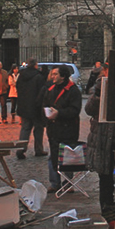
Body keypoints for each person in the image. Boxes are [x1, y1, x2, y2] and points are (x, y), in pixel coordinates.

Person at [84, 63, 115, 217]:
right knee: (105, 176)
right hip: (103, 137)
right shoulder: (99, 86)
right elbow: (89, 109)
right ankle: (107, 208)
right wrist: (99, 95)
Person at [43, 65, 82, 193]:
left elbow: (75, 110)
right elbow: (44, 103)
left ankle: (67, 183)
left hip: (68, 128)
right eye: (52, 74)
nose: (52, 76)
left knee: (67, 155)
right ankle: (54, 183)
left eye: (55, 74)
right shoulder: (50, 88)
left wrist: (59, 113)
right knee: (52, 156)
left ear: (63, 76)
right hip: (53, 128)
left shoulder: (73, 90)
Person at [16, 59, 48, 159]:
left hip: (24, 106)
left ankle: (21, 149)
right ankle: (38, 149)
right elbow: (42, 92)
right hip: (36, 107)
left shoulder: (21, 76)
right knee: (38, 129)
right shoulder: (38, 76)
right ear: (35, 65)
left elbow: (18, 88)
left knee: (25, 128)